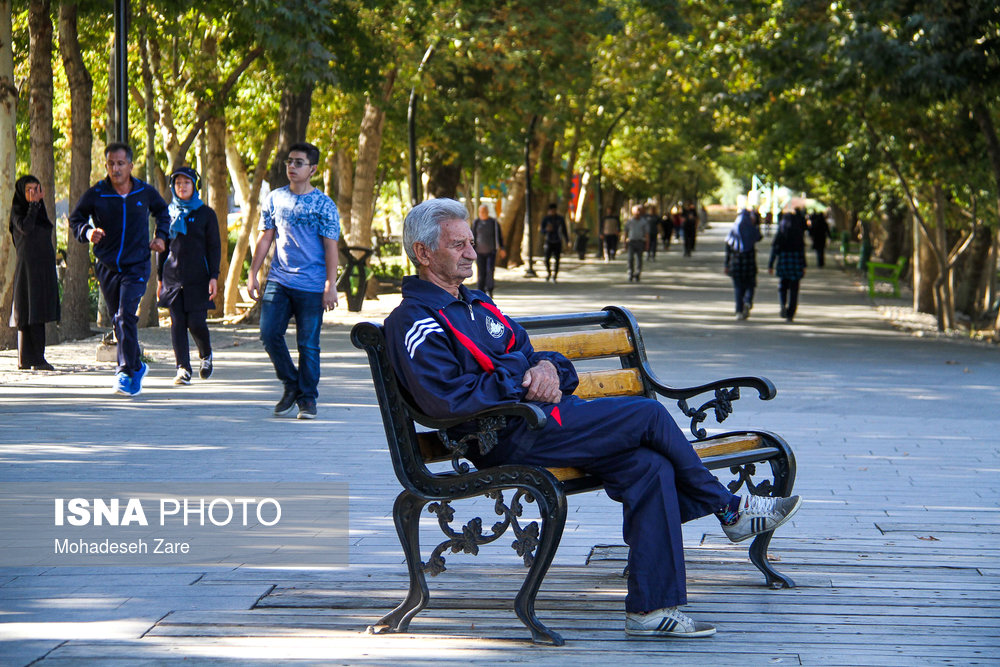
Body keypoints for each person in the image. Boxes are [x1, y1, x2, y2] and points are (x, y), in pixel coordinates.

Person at [383, 198, 802, 638]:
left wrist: (544, 369)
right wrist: (522, 375)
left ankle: (650, 612)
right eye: (458, 245)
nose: (471, 252)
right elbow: (446, 400)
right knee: (649, 415)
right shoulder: (415, 320)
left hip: (550, 419)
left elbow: (542, 360)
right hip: (503, 435)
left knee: (650, 465)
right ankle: (729, 509)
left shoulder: (479, 304)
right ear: (423, 252)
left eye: (471, 242)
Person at [248, 142, 340, 420]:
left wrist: (330, 284)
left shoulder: (324, 204)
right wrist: (252, 274)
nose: (292, 166)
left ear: (312, 169)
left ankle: (307, 399)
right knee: (268, 334)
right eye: (289, 161)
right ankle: (291, 383)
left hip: (312, 286)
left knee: (308, 344)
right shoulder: (275, 198)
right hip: (279, 280)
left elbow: (330, 247)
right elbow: (266, 237)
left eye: (299, 163)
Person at [69, 143, 170, 396]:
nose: (115, 168)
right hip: (107, 265)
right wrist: (88, 231)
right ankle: (136, 364)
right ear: (106, 165)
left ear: (130, 166)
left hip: (137, 264)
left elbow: (163, 212)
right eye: (111, 164)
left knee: (125, 316)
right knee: (118, 321)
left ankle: (124, 371)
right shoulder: (98, 193)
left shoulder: (144, 192)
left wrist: (161, 237)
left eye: (120, 164)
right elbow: (76, 219)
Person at [156, 167, 221, 385]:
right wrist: (159, 279)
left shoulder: (206, 214)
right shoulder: (167, 214)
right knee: (177, 323)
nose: (181, 187)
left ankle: (206, 354)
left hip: (199, 279)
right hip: (172, 278)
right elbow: (162, 248)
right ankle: (182, 368)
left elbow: (214, 247)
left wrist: (214, 276)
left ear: (195, 186)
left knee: (196, 322)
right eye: (177, 183)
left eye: (186, 183)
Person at [9, 175, 60, 371]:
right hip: (27, 268)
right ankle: (28, 359)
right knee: (26, 311)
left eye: (35, 189)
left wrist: (38, 206)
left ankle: (38, 356)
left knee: (38, 310)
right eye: (28, 189)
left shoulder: (40, 210)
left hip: (42, 268)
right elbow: (26, 227)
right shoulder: (18, 211)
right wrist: (33, 205)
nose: (32, 194)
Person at [724, 204, 763, 320]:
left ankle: (739, 311)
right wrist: (755, 223)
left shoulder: (733, 230)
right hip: (749, 263)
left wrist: (726, 264)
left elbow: (728, 249)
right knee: (750, 285)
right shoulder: (751, 229)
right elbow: (759, 237)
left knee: (738, 287)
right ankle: (747, 301)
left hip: (736, 264)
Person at [769, 213, 807, 322]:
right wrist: (803, 265)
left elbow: (774, 250)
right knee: (794, 289)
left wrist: (771, 264)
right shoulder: (798, 233)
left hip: (784, 262)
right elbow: (801, 251)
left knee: (782, 287)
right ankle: (791, 313)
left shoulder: (781, 232)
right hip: (795, 263)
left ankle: (782, 305)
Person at [472, 204, 504, 297]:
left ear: (487, 212)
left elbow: (499, 236)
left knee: (490, 270)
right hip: (479, 252)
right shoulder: (476, 222)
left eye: (484, 211)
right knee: (481, 272)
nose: (482, 213)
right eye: (480, 212)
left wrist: (502, 248)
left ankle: (489, 289)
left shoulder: (493, 222)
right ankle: (480, 291)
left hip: (491, 251)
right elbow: (472, 237)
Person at [539, 203, 568, 281]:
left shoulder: (560, 219)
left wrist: (567, 240)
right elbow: (541, 230)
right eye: (551, 210)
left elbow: (564, 230)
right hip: (548, 241)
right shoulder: (546, 219)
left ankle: (555, 275)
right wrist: (546, 230)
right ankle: (549, 273)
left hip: (558, 241)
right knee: (546, 259)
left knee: (557, 259)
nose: (552, 212)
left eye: (554, 210)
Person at [624, 204, 648, 282]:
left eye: (639, 211)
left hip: (640, 242)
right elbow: (625, 232)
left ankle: (637, 273)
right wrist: (625, 243)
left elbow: (646, 234)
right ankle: (630, 272)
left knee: (639, 259)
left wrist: (647, 244)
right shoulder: (629, 221)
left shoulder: (643, 222)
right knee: (630, 258)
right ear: (632, 212)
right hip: (631, 242)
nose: (637, 212)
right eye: (636, 211)